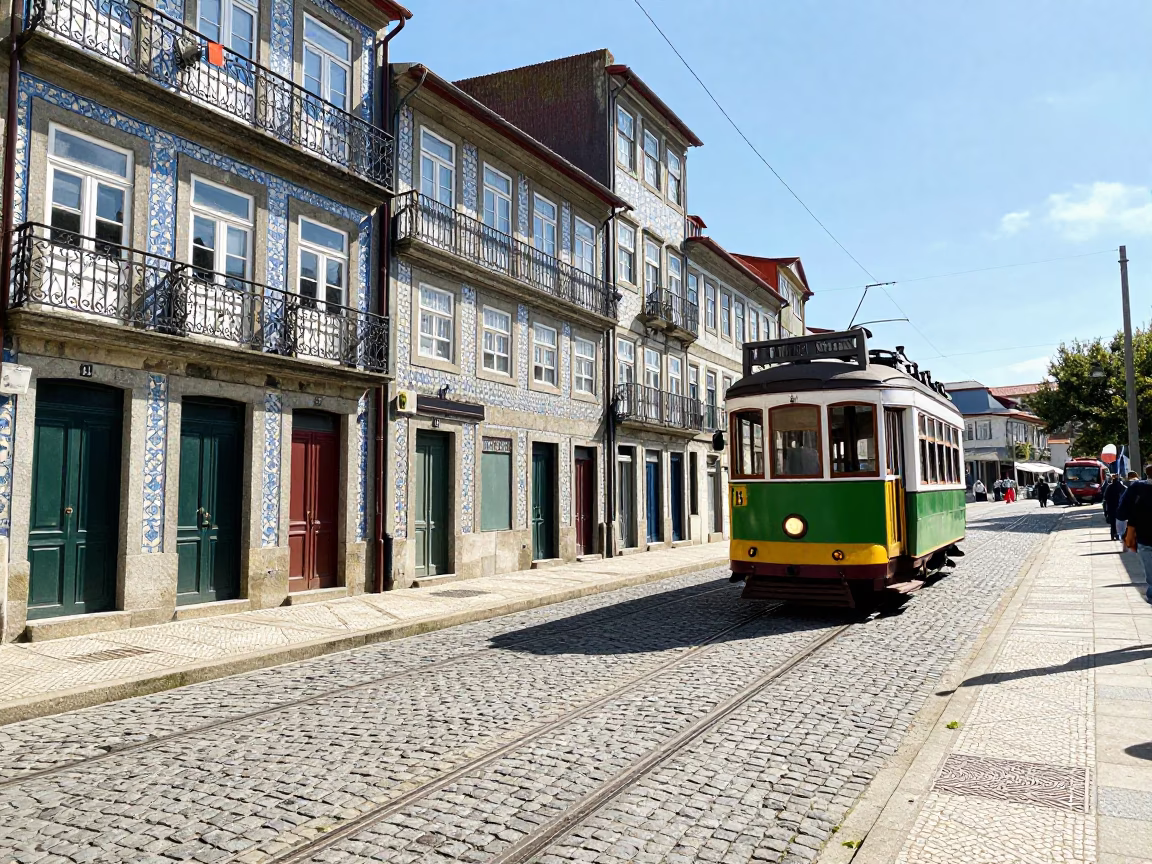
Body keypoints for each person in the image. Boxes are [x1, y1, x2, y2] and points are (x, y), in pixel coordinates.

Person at [1115, 465, 1152, 603]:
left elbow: (1122, 510)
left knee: (1149, 565)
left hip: (1144, 535)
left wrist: (1121, 528)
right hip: (1144, 536)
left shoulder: (1136, 488)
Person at [1104, 473, 1125, 540]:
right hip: (1120, 507)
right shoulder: (1123, 487)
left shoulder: (1109, 487)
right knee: (1121, 521)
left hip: (1111, 507)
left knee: (1113, 521)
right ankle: (1120, 533)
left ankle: (1114, 533)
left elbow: (1105, 497)